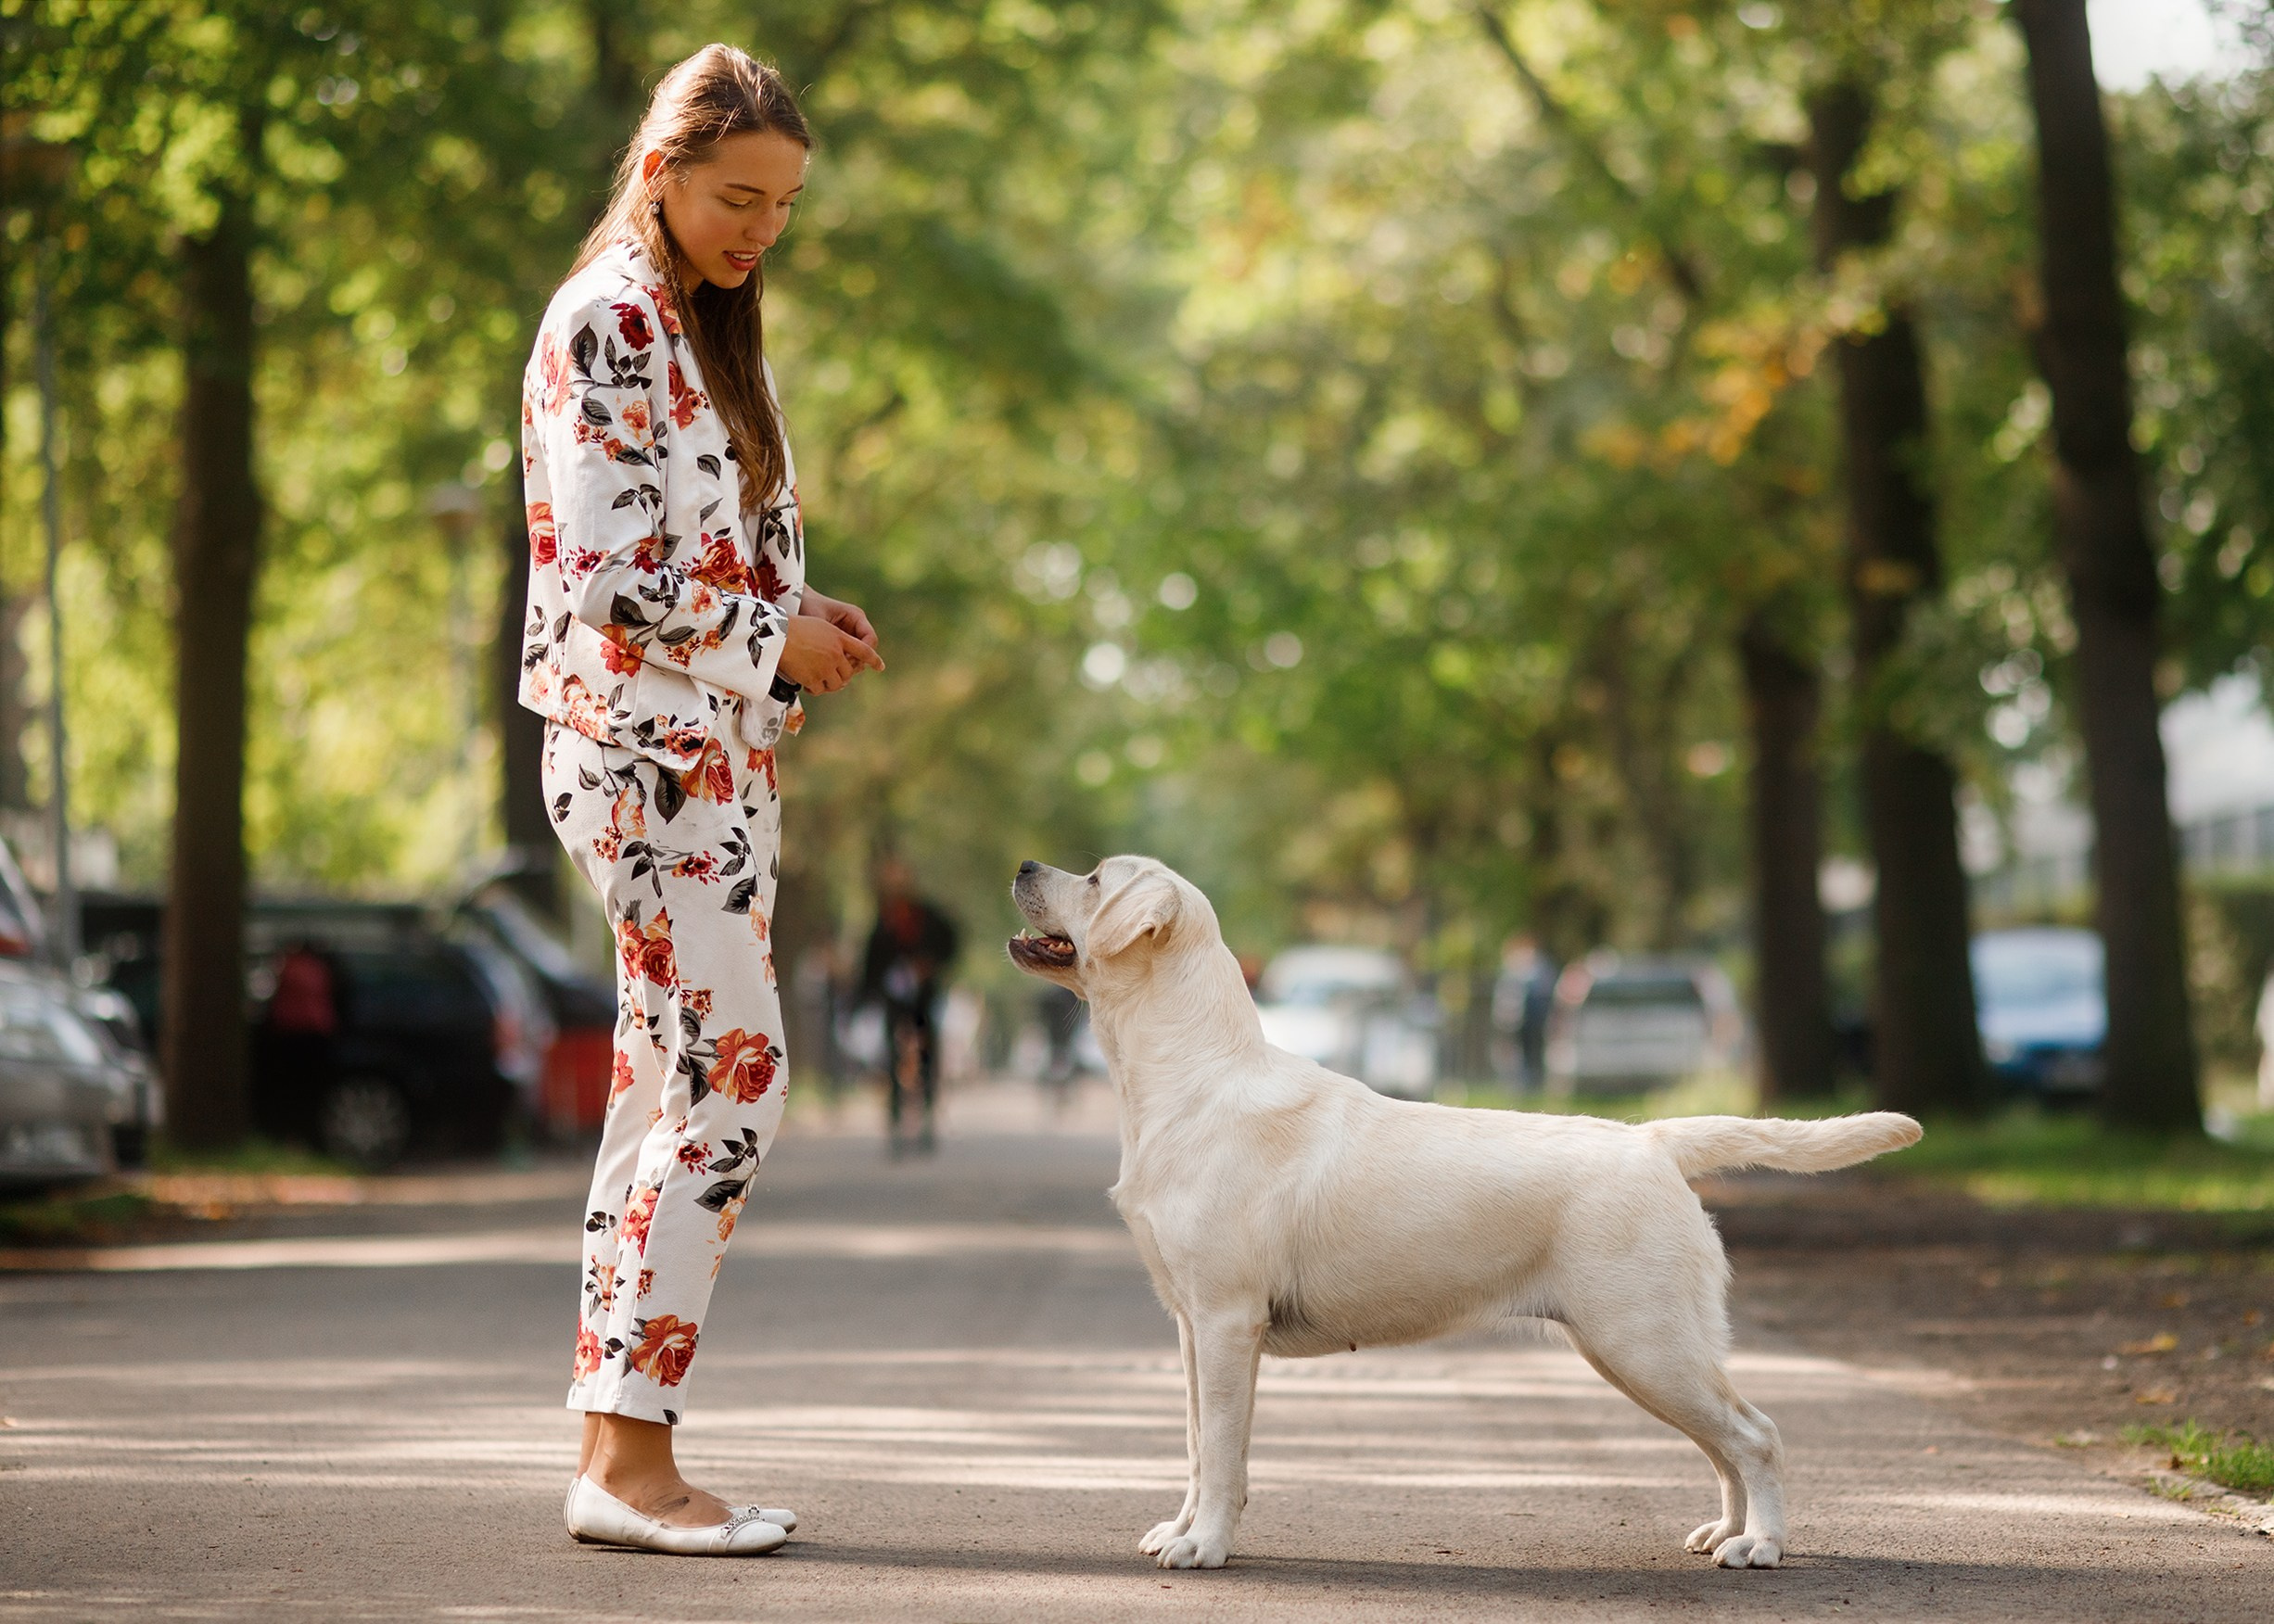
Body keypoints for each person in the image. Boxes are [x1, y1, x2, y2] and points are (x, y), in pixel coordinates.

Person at [520, 44, 883, 1556]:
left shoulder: (703, 331)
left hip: (712, 761)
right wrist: (765, 636)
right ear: (659, 171)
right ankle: (629, 1456)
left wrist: (800, 617)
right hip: (644, 757)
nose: (760, 228)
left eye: (783, 205)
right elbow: (602, 576)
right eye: (738, 196)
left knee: (671, 1092)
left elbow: (713, 547)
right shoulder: (608, 319)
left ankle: (619, 1446)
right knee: (731, 1083)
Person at [858, 856, 959, 1155]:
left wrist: (931, 966)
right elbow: (871, 962)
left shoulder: (927, 916)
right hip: (894, 998)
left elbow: (950, 943)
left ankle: (928, 1118)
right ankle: (895, 1121)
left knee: (928, 1054)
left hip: (924, 996)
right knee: (891, 1057)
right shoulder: (884, 919)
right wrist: (871, 993)